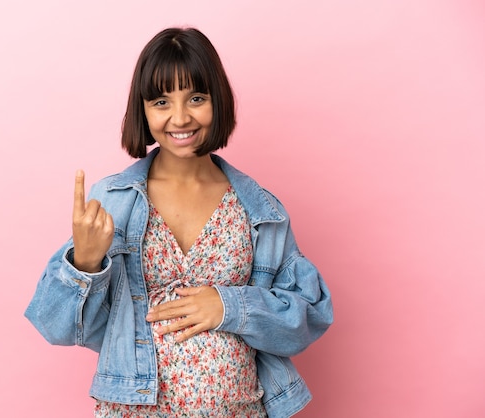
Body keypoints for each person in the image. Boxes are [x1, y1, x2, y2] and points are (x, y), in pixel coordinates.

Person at [25, 27, 333, 418]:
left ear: (217, 101)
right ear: (143, 109)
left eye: (197, 98)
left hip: (240, 410)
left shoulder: (260, 210)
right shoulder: (113, 201)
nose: (180, 117)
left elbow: (308, 318)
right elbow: (56, 327)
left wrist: (230, 305)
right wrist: (84, 264)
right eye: (161, 102)